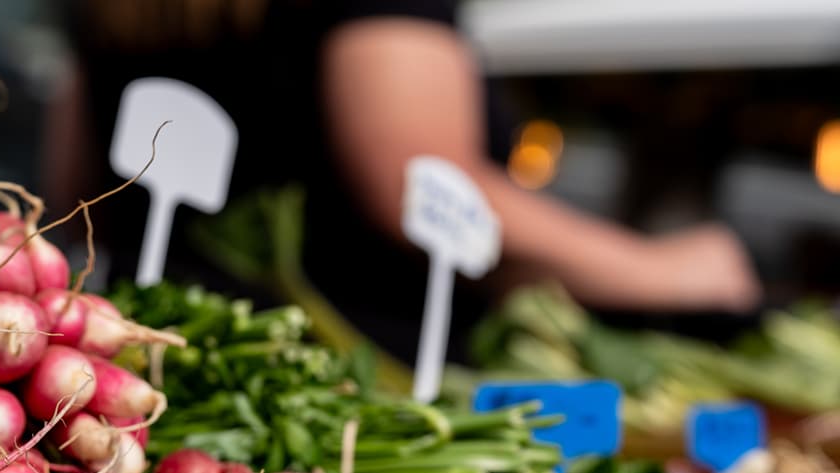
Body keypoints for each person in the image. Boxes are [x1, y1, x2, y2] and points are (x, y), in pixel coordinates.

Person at [50, 0, 762, 363]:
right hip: (353, 374)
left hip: (164, 365)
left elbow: (78, 196)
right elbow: (414, 182)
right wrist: (662, 270)